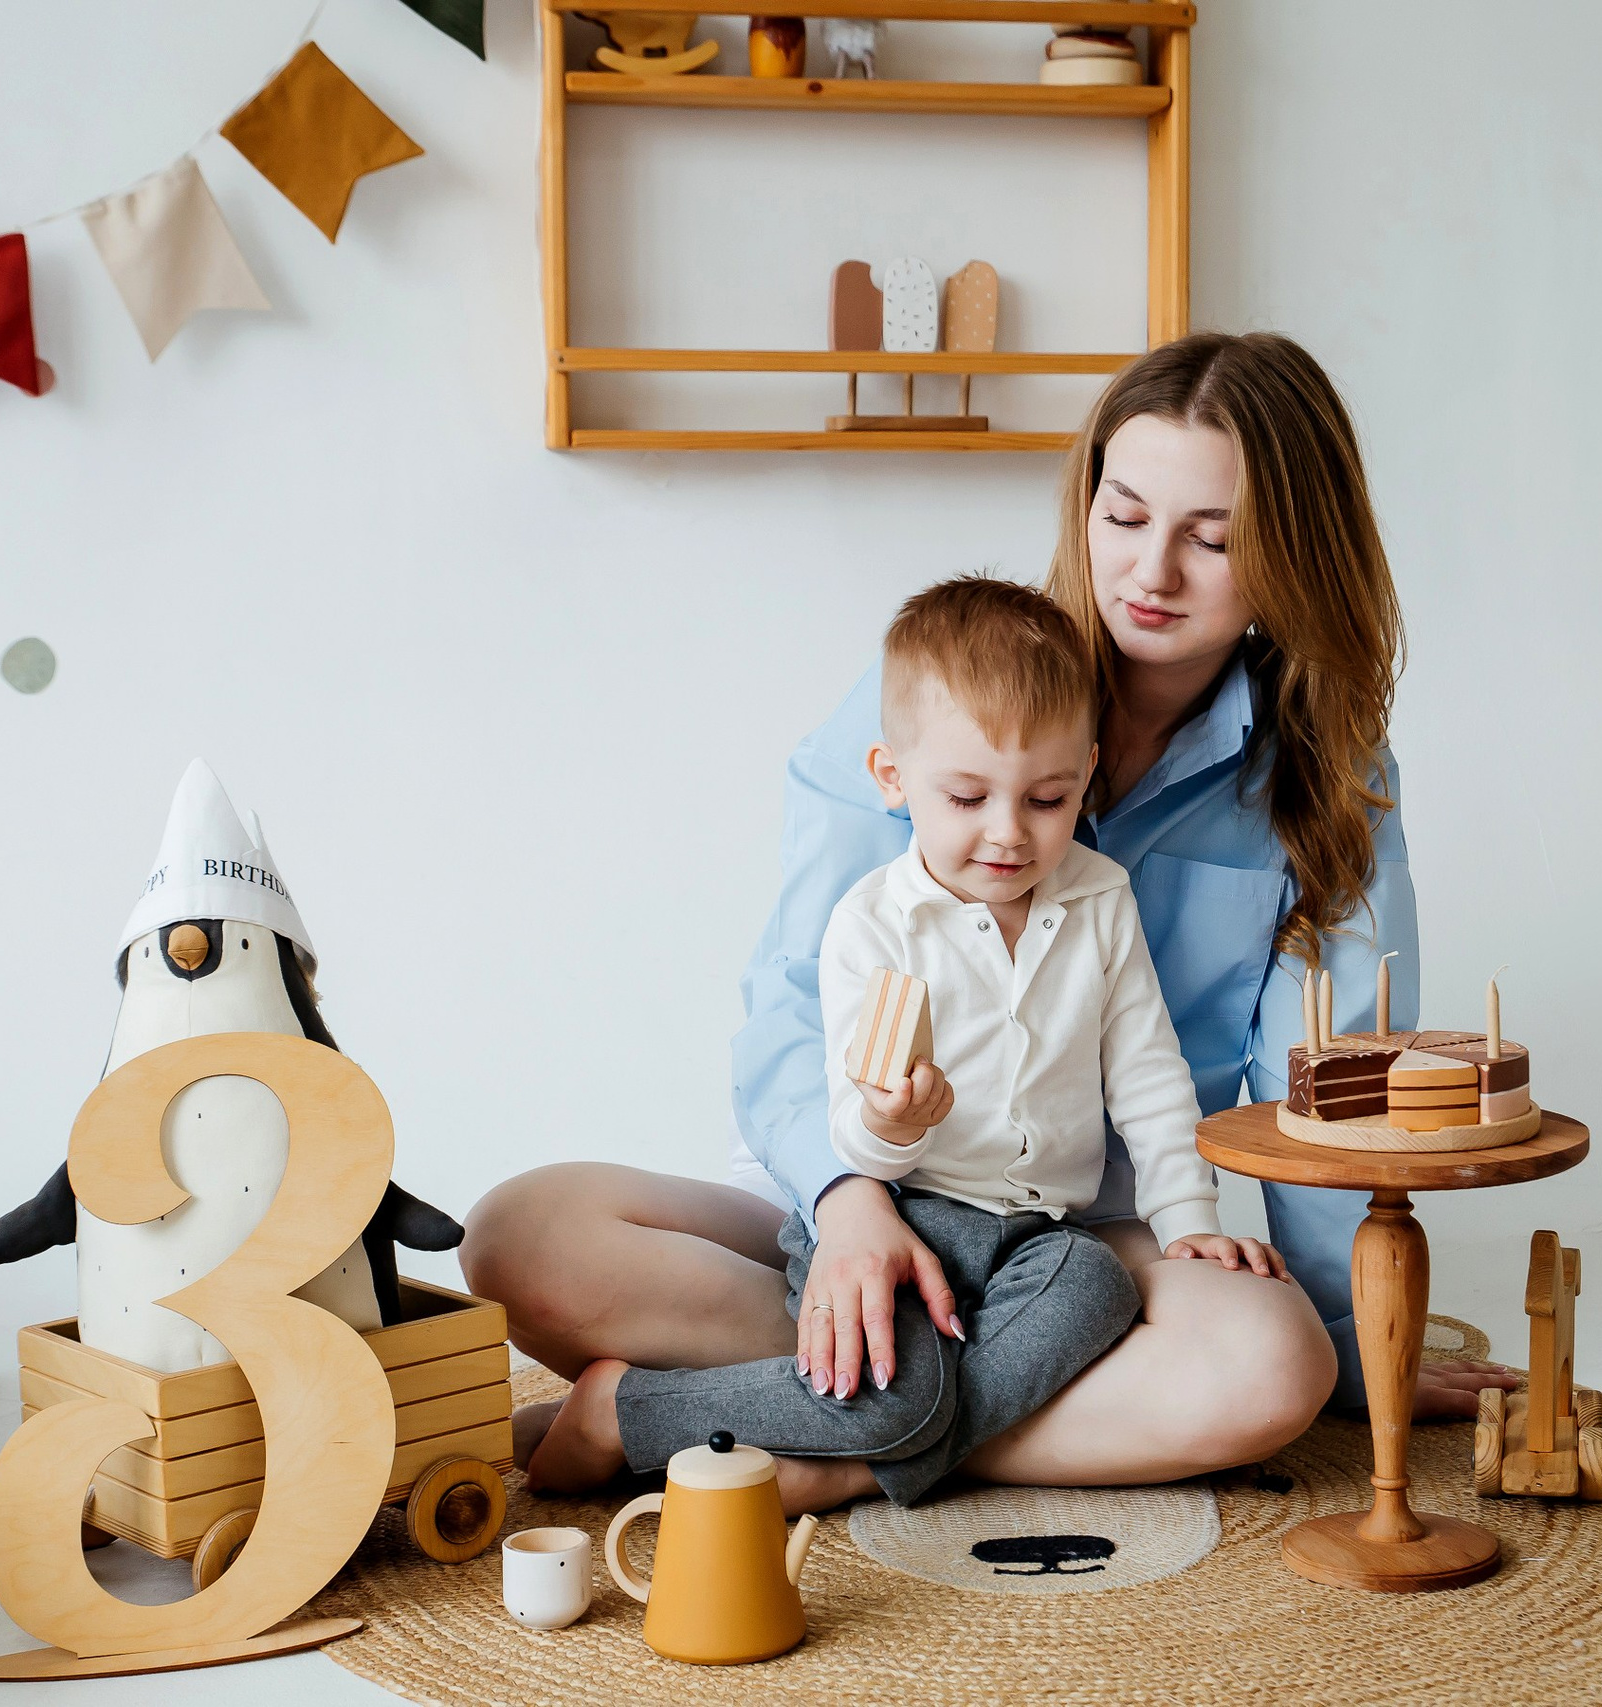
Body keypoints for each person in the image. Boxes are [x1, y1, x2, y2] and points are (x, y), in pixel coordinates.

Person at [465, 332, 1513, 1508]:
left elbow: (1331, 1074)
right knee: (517, 1237)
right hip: (863, 1189)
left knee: (1276, 1366)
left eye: (1211, 539)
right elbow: (797, 999)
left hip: (1091, 1238)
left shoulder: (1327, 770)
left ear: (1293, 555)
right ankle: (904, 1380)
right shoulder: (933, 696)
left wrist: (1343, 1334)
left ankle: (809, 1439)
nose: (1151, 572)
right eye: (1123, 516)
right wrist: (850, 1206)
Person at [521, 578, 1290, 1509]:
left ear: (1085, 771)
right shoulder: (874, 921)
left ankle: (670, 1417)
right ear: (892, 777)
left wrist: (1190, 1225)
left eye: (1047, 798)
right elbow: (853, 1124)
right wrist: (891, 1124)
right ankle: (635, 1412)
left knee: (1096, 1290)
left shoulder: (1099, 899)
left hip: (1041, 1234)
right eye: (967, 797)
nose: (1008, 833)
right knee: (905, 1384)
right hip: (906, 1211)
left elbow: (1148, 1075)